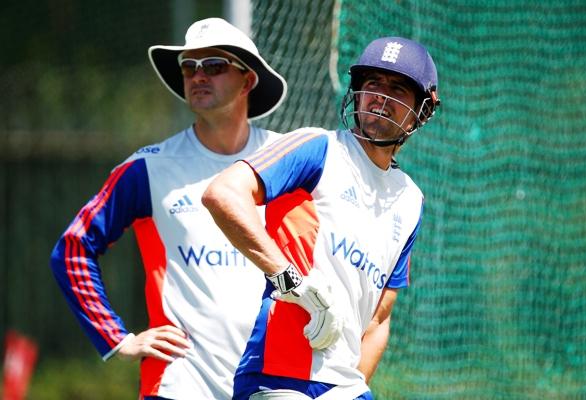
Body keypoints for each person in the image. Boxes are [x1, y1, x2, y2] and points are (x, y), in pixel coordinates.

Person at [49, 17, 287, 400]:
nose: (197, 76)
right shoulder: (148, 168)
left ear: (248, 81)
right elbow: (73, 248)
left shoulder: (289, 160)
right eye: (189, 67)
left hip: (274, 384)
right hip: (178, 385)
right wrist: (118, 339)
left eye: (214, 66)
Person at [202, 36, 440, 399]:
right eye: (372, 83)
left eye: (398, 88)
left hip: (345, 387)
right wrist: (288, 279)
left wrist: (349, 386)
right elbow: (222, 194)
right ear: (356, 92)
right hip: (278, 374)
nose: (381, 96)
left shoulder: (411, 200)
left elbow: (379, 318)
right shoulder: (316, 146)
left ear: (423, 110)